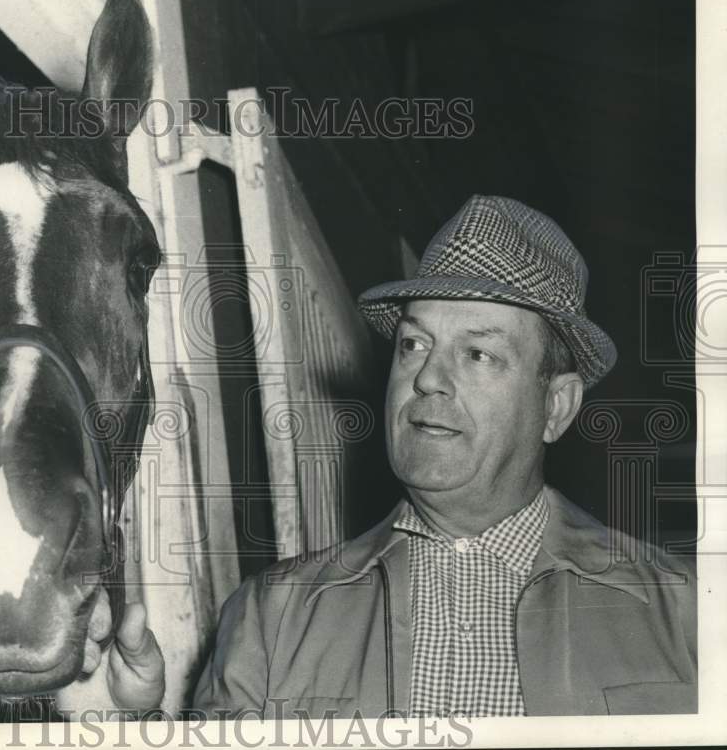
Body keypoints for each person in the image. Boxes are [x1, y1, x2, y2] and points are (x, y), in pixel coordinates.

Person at [190, 194, 697, 718]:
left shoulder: (686, 616)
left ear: (556, 406)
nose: (428, 377)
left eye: (478, 353)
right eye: (413, 344)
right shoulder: (271, 618)